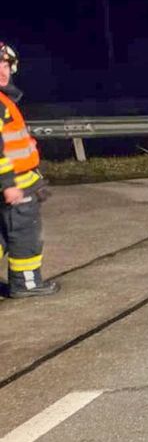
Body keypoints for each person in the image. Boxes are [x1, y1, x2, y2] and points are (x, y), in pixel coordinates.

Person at [0, 42, 57, 297]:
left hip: (20, 181)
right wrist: (8, 185)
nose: (3, 71)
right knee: (24, 234)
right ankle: (26, 284)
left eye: (6, 65)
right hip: (14, 185)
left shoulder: (4, 100)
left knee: (4, 234)